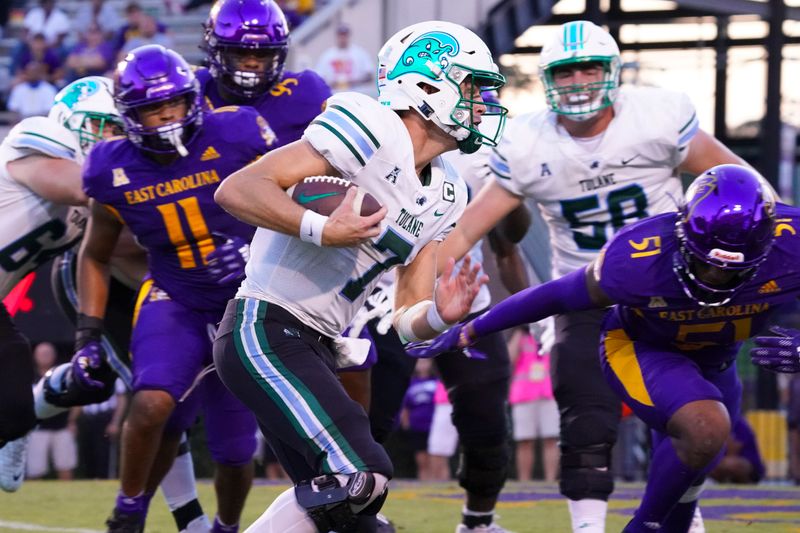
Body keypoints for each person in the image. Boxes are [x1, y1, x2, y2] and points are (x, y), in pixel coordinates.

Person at [437, 20, 748, 533]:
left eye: (590, 68)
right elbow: (468, 229)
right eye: (565, 71)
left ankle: (678, 516)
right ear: (547, 79)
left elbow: (736, 181)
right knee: (584, 414)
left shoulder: (655, 117)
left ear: (612, 72)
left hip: (669, 291)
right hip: (586, 288)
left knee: (690, 415)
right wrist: (422, 287)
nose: (579, 81)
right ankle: (587, 527)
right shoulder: (526, 141)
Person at [211, 19, 507, 532]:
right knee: (361, 474)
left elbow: (404, 320)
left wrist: (439, 315)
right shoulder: (370, 126)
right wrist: (321, 228)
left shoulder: (448, 192)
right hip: (264, 327)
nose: (482, 103)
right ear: (427, 84)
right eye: (472, 86)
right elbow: (238, 189)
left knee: (356, 519)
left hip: (321, 346)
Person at [407, 164, 800, 532]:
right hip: (643, 348)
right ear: (682, 234)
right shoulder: (639, 256)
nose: (717, 279)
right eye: (706, 265)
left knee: (694, 471)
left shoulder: (793, 245)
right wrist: (470, 330)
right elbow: (556, 296)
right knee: (705, 427)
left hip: (719, 359)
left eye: (734, 270)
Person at [76, 45, 274, 533]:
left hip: (245, 303)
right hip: (176, 296)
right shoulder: (110, 168)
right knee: (153, 405)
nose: (166, 116)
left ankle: (227, 527)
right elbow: (95, 254)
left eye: (174, 104)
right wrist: (87, 335)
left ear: (193, 99)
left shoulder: (237, 132)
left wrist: (259, 248)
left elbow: (296, 195)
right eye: (150, 109)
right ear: (128, 115)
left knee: (234, 449)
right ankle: (128, 512)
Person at [0, 75, 121, 493]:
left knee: (15, 413)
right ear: (68, 120)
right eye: (101, 127)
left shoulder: (100, 200)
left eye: (119, 130)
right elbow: (75, 185)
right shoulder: (39, 143)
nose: (110, 139)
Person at [199, 0, 331, 150]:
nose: (252, 63)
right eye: (240, 53)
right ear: (216, 51)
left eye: (262, 54)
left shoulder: (304, 92)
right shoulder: (195, 93)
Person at [507, 325, 559, 482]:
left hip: (549, 392)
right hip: (524, 394)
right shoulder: (521, 335)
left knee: (551, 439)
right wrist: (518, 329)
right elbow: (510, 357)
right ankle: (524, 481)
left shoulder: (552, 333)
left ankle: (550, 481)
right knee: (524, 440)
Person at [26, 342, 78, 481]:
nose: (45, 357)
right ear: (35, 356)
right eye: (42, 354)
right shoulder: (28, 376)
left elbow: (77, 402)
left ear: (54, 355)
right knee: (35, 469)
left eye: (47, 353)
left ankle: (68, 497)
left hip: (62, 428)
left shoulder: (63, 375)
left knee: (65, 466)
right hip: (37, 429)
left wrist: (71, 421)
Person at [399, 359, 438, 480]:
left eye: (425, 362)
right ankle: (423, 483)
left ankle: (436, 484)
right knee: (421, 459)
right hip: (416, 425)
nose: (422, 365)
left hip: (434, 426)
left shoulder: (436, 382)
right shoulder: (411, 383)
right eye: (419, 362)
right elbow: (405, 406)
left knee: (435, 458)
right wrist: (405, 422)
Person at [315, 23, 374, 94]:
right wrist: (331, 84)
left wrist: (354, 82)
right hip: (333, 94)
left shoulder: (360, 53)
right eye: (341, 35)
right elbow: (318, 77)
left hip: (356, 94)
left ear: (348, 36)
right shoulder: (327, 55)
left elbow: (370, 76)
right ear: (337, 36)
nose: (343, 39)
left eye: (345, 35)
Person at [708, 416, 766, 484]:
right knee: (709, 465)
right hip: (728, 460)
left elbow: (733, 449)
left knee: (728, 464)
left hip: (750, 466)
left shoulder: (737, 422)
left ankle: (746, 485)